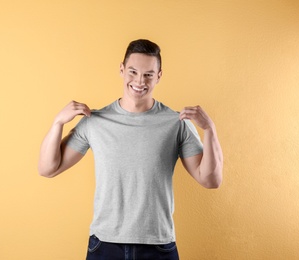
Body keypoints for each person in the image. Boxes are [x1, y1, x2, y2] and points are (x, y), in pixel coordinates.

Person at [38, 39, 223, 260]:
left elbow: (211, 180)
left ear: (159, 76)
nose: (139, 81)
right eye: (133, 72)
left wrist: (210, 129)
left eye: (148, 75)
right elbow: (48, 169)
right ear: (122, 69)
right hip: (105, 245)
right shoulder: (95, 122)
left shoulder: (177, 123)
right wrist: (58, 122)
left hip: (158, 245)